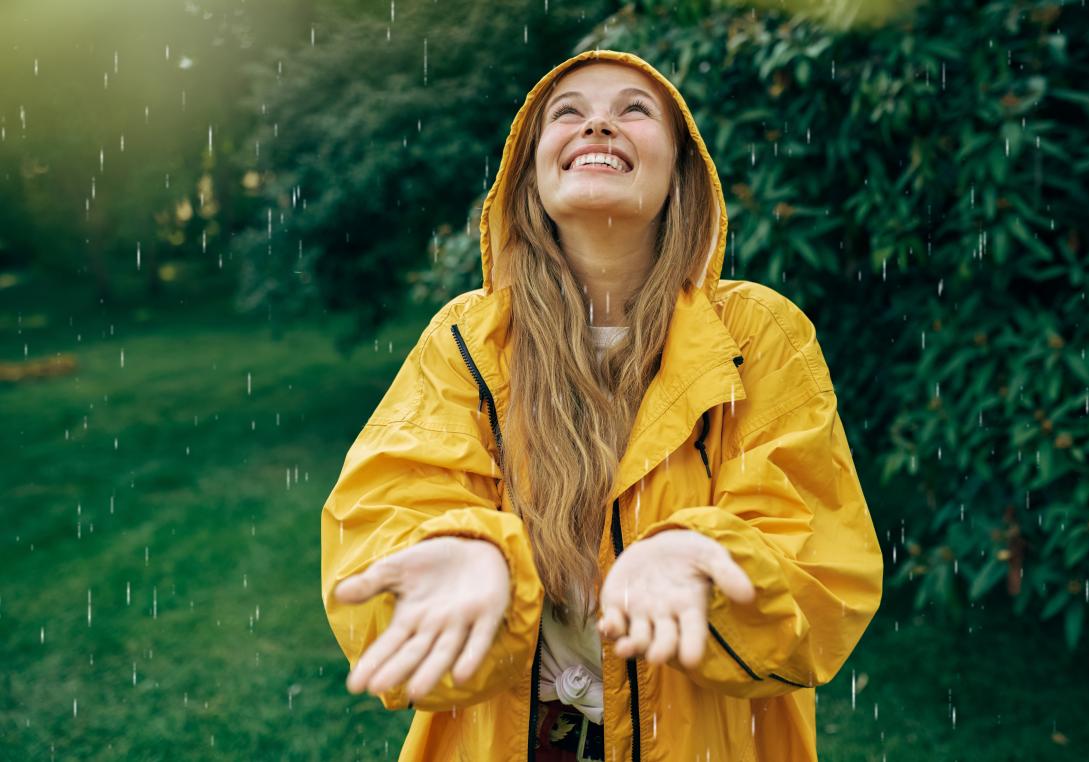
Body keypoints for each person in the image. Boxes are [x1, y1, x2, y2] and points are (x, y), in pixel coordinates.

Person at [320, 48, 884, 762]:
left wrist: (704, 558)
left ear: (681, 171)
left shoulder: (757, 334)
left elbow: (821, 568)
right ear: (531, 175)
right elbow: (393, 501)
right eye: (569, 113)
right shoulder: (466, 340)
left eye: (633, 110)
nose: (598, 126)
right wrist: (459, 550)